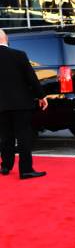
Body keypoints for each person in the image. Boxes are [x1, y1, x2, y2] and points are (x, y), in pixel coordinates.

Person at [0, 29, 48, 179]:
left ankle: (6, 166)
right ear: (6, 39)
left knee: (5, 136)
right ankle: (26, 170)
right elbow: (31, 78)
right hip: (21, 104)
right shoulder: (19, 55)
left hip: (1, 105)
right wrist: (41, 96)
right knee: (23, 136)